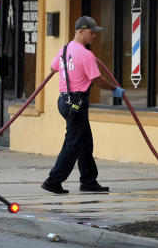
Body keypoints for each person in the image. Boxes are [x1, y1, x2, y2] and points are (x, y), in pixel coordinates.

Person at [41, 16, 125, 194]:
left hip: (65, 100)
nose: (94, 36)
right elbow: (97, 79)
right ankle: (53, 181)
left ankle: (88, 181)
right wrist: (114, 88)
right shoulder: (86, 54)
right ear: (80, 31)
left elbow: (53, 68)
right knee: (73, 144)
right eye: (91, 32)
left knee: (84, 141)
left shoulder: (64, 50)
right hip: (77, 102)